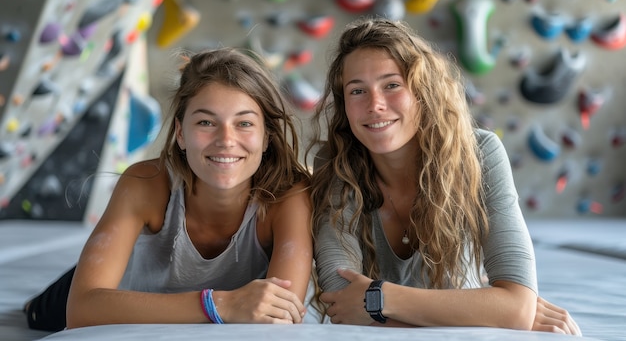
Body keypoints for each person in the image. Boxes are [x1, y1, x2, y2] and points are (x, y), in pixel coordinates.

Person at [307, 17, 581, 335]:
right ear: (344, 106)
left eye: (392, 85)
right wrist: (485, 309)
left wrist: (378, 299)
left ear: (423, 91)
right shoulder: (335, 163)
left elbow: (517, 308)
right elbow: (340, 304)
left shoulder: (480, 153)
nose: (375, 105)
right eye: (357, 91)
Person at [24, 47, 313, 331]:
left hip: (192, 304)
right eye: (206, 122)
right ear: (180, 134)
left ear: (265, 138)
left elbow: (282, 315)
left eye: (244, 123)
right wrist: (219, 304)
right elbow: (81, 311)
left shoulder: (289, 196)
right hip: (123, 295)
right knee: (36, 315)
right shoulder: (146, 184)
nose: (226, 139)